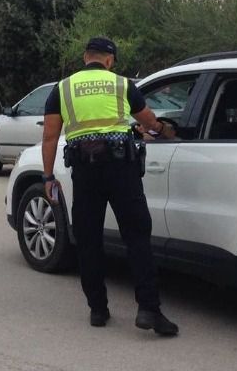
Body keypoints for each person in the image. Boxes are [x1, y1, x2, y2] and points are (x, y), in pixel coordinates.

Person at [41, 36, 179, 336]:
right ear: (109, 60)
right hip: (121, 169)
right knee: (137, 236)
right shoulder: (122, 84)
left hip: (84, 172)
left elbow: (50, 136)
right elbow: (147, 119)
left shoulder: (62, 88)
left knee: (88, 240)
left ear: (85, 57)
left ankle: (98, 309)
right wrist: (161, 129)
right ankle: (149, 310)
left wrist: (48, 177)